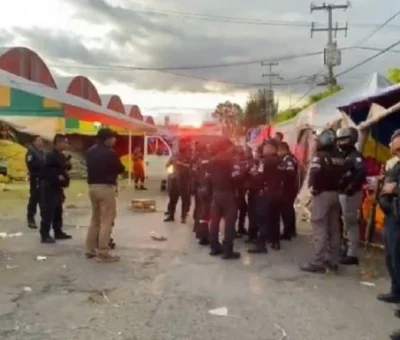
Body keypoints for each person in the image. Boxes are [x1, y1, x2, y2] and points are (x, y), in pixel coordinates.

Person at [300, 129, 346, 273]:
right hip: (336, 194)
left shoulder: (319, 157)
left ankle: (317, 261)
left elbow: (314, 176)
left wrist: (313, 189)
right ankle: (333, 260)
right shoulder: (340, 156)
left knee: (319, 227)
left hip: (322, 195)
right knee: (334, 228)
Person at [85, 128, 125, 262]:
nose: (115, 140)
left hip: (92, 188)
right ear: (107, 139)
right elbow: (120, 168)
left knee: (95, 219)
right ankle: (103, 252)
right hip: (106, 188)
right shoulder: (110, 153)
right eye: (113, 138)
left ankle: (89, 249)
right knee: (107, 220)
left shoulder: (90, 151)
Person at [336, 127, 366, 266]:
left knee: (351, 223)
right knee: (344, 222)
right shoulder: (345, 156)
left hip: (350, 194)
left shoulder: (356, 156)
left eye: (344, 139)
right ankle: (346, 248)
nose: (341, 142)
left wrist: (351, 187)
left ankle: (352, 254)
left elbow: (361, 172)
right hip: (343, 193)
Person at [207, 139, 240, 259]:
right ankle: (228, 251)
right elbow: (237, 177)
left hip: (216, 194)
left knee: (214, 222)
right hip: (228, 194)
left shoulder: (212, 160)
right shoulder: (232, 160)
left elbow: (209, 178)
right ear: (227, 147)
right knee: (229, 223)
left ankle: (214, 247)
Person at [248, 138, 283, 253]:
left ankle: (261, 244)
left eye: (266, 146)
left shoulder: (264, 161)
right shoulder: (281, 160)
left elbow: (259, 177)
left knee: (262, 219)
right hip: (277, 193)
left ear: (272, 148)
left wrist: (253, 174)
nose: (264, 148)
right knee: (275, 218)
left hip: (265, 193)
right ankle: (275, 241)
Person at [39, 134, 72, 243]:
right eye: (64, 142)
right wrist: (59, 177)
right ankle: (45, 234)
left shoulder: (61, 155)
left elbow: (63, 168)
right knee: (48, 211)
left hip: (58, 188)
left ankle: (58, 231)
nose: (66, 144)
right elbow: (48, 172)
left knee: (58, 210)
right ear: (57, 143)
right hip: (49, 187)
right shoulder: (50, 155)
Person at [164, 143, 192, 223]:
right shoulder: (174, 157)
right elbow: (167, 165)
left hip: (184, 181)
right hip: (175, 180)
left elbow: (191, 166)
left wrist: (182, 164)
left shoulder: (188, 157)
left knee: (184, 200)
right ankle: (171, 215)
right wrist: (171, 166)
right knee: (173, 199)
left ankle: (183, 217)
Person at [278, 141, 298, 240]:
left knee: (286, 211)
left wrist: (282, 180)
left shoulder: (288, 159)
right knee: (289, 210)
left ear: (283, 149)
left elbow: (290, 172)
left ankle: (288, 232)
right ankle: (291, 230)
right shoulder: (290, 157)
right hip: (290, 189)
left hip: (288, 189)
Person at [26, 135, 45, 229]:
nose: (41, 142)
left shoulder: (42, 152)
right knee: (34, 199)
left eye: (41, 140)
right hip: (35, 179)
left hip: (43, 179)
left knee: (43, 199)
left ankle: (44, 219)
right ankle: (30, 218)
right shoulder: (31, 153)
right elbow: (30, 165)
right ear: (34, 142)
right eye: (38, 140)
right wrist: (41, 163)